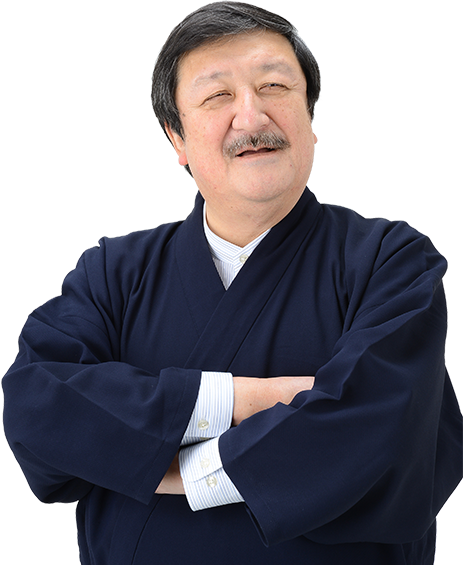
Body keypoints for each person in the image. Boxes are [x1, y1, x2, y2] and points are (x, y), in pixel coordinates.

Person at [2, 2, 463, 564]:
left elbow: (383, 434)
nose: (251, 115)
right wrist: (242, 400)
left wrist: (154, 462)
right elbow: (36, 408)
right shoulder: (113, 271)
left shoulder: (391, 260)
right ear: (177, 138)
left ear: (310, 119)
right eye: (218, 95)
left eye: (274, 86)